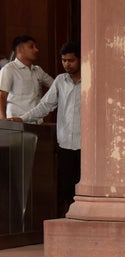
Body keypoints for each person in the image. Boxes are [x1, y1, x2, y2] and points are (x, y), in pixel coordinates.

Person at [12, 41, 81, 216]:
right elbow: (45, 106)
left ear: (81, 60)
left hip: (86, 145)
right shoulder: (60, 81)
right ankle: (71, 219)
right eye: (64, 60)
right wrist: (23, 118)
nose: (67, 64)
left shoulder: (92, 80)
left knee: (84, 188)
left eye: (71, 60)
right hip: (65, 143)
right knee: (66, 187)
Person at [0, 35, 54, 120]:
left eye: (36, 47)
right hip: (16, 122)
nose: (36, 50)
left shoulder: (38, 70)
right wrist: (2, 117)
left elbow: (56, 85)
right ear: (20, 49)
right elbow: (2, 95)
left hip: (36, 121)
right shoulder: (9, 69)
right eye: (31, 47)